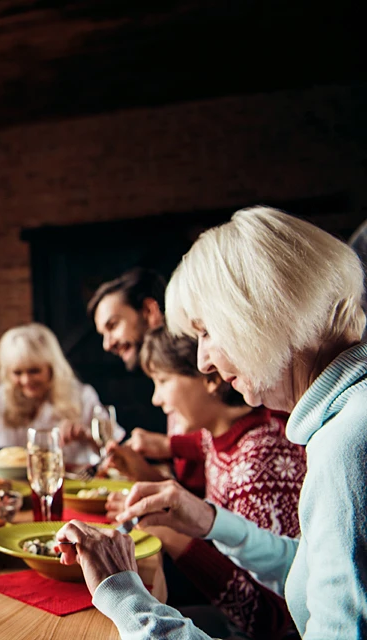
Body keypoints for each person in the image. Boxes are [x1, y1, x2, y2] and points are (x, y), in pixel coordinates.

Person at [58, 206, 367, 639]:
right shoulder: (343, 418)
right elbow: (311, 573)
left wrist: (124, 596)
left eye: (206, 331)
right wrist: (209, 520)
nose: (203, 361)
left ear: (259, 313)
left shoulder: (348, 444)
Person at [104, 326, 305, 638]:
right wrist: (143, 469)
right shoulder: (221, 436)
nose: (156, 399)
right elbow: (198, 454)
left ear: (210, 378)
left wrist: (174, 538)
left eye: (163, 381)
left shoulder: (259, 464)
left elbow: (275, 620)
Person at [89, 267, 206, 496]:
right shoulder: (168, 383)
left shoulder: (193, 370)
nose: (106, 344)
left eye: (113, 325)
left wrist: (168, 446)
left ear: (149, 310)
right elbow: (193, 497)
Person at [0, 323, 121, 464]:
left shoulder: (83, 396)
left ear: (52, 368)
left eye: (34, 371)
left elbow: (116, 453)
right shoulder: (1, 398)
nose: (26, 380)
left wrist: (87, 436)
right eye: (17, 372)